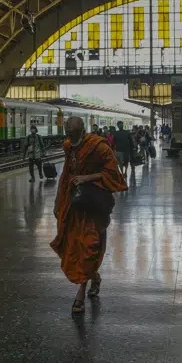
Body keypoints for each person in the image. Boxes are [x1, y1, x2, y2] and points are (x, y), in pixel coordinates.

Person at [50, 116, 127, 314]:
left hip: (93, 206)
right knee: (74, 246)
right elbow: (65, 175)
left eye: (74, 134)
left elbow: (113, 174)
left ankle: (80, 294)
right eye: (68, 134)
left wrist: (87, 177)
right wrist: (58, 201)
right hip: (74, 204)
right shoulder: (69, 147)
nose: (70, 137)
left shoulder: (99, 147)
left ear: (83, 131)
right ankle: (95, 277)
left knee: (89, 245)